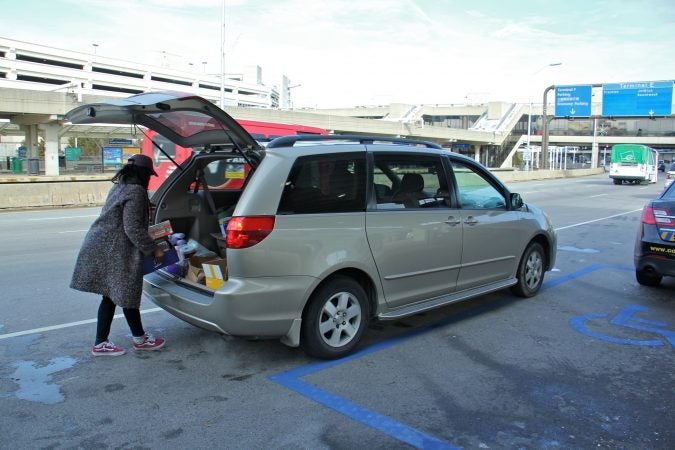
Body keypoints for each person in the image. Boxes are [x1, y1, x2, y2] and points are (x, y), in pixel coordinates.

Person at [71, 154, 166, 356]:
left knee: (113, 295)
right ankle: (138, 339)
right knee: (125, 293)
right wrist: (154, 248)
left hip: (102, 245)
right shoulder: (136, 191)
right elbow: (133, 229)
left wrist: (145, 211)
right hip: (115, 249)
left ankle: (103, 342)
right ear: (144, 174)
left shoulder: (120, 186)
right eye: (148, 175)